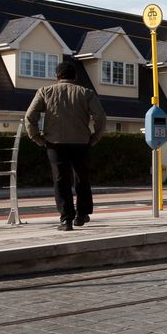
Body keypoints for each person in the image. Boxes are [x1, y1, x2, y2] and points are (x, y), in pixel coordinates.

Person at [24, 61, 107, 231]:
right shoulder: (86, 93)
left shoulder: (45, 91)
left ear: (57, 76)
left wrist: (38, 138)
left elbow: (30, 117)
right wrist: (95, 137)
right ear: (75, 77)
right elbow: (101, 117)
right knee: (82, 178)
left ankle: (66, 219)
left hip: (54, 143)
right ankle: (82, 214)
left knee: (61, 180)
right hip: (81, 142)